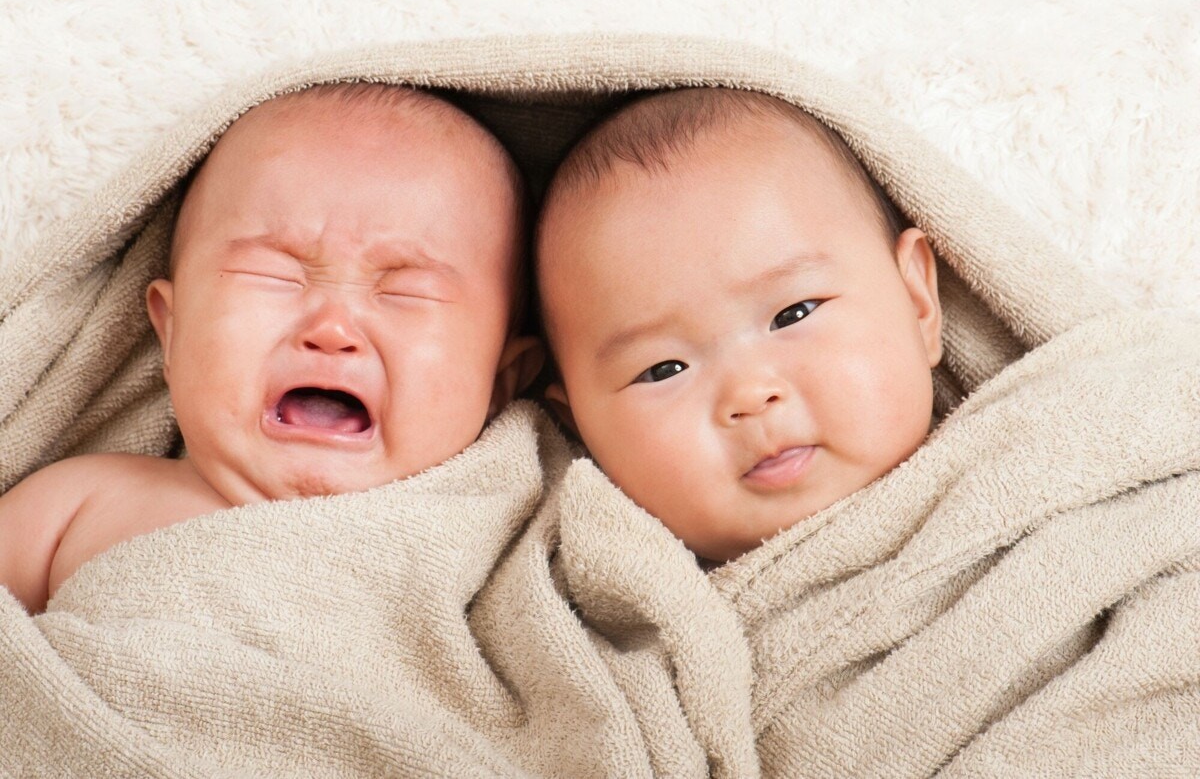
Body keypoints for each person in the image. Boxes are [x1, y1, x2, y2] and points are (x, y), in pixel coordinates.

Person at [0, 83, 541, 613]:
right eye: (274, 275)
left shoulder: (507, 542)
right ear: (172, 331)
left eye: (405, 292)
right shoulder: (81, 503)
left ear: (499, 381)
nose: (332, 329)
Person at [536, 87, 943, 563]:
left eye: (794, 314)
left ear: (917, 301)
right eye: (665, 369)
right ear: (581, 431)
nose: (749, 395)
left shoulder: (1032, 452)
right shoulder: (595, 609)